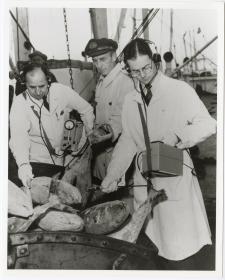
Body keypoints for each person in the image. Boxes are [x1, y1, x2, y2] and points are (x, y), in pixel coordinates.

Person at [101, 38, 217, 269]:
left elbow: (208, 124)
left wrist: (178, 135)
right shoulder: (130, 99)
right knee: (155, 250)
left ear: (154, 62)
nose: (142, 75)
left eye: (146, 68)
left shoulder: (178, 90)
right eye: (135, 72)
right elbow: (127, 141)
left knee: (182, 252)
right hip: (146, 181)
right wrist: (113, 174)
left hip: (174, 178)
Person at [9, 63, 94, 188]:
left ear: (48, 80)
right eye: (32, 87)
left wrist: (88, 135)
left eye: (42, 86)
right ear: (25, 84)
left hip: (63, 159)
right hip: (37, 162)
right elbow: (19, 138)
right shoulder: (20, 103)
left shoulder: (61, 91)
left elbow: (86, 109)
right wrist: (23, 166)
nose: (38, 92)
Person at [83, 38, 135, 182]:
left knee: (122, 198)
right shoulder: (101, 81)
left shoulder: (125, 81)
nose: (99, 65)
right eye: (95, 60)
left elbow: (120, 119)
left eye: (102, 59)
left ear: (113, 56)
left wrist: (103, 133)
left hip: (119, 153)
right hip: (101, 155)